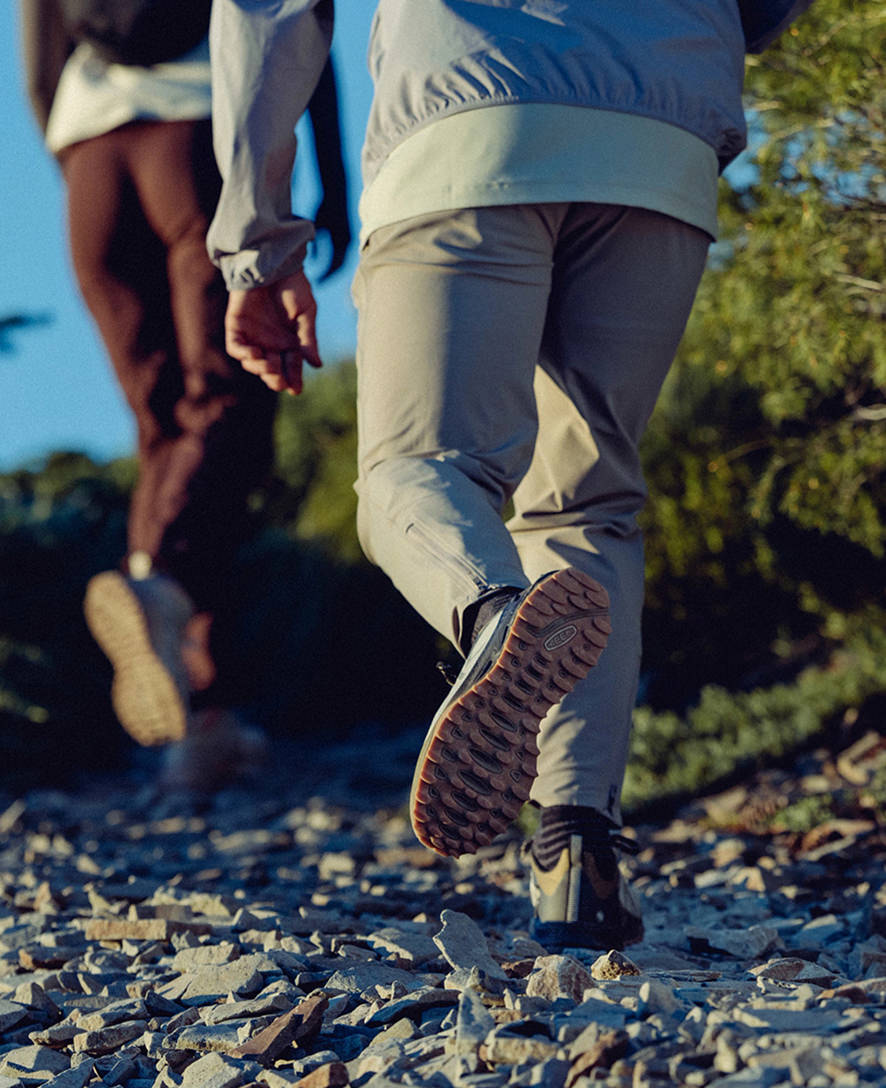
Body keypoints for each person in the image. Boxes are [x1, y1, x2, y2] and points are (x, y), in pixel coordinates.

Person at [206, 0, 814, 949]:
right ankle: (578, 857)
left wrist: (255, 245)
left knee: (418, 469)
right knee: (589, 503)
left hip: (467, 119)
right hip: (663, 136)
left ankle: (492, 615)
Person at [19, 0, 351, 790]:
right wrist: (332, 181)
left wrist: (78, 161)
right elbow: (299, 25)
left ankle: (203, 719)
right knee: (230, 395)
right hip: (198, 138)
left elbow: (39, 66)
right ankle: (161, 585)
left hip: (91, 160)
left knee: (162, 427)